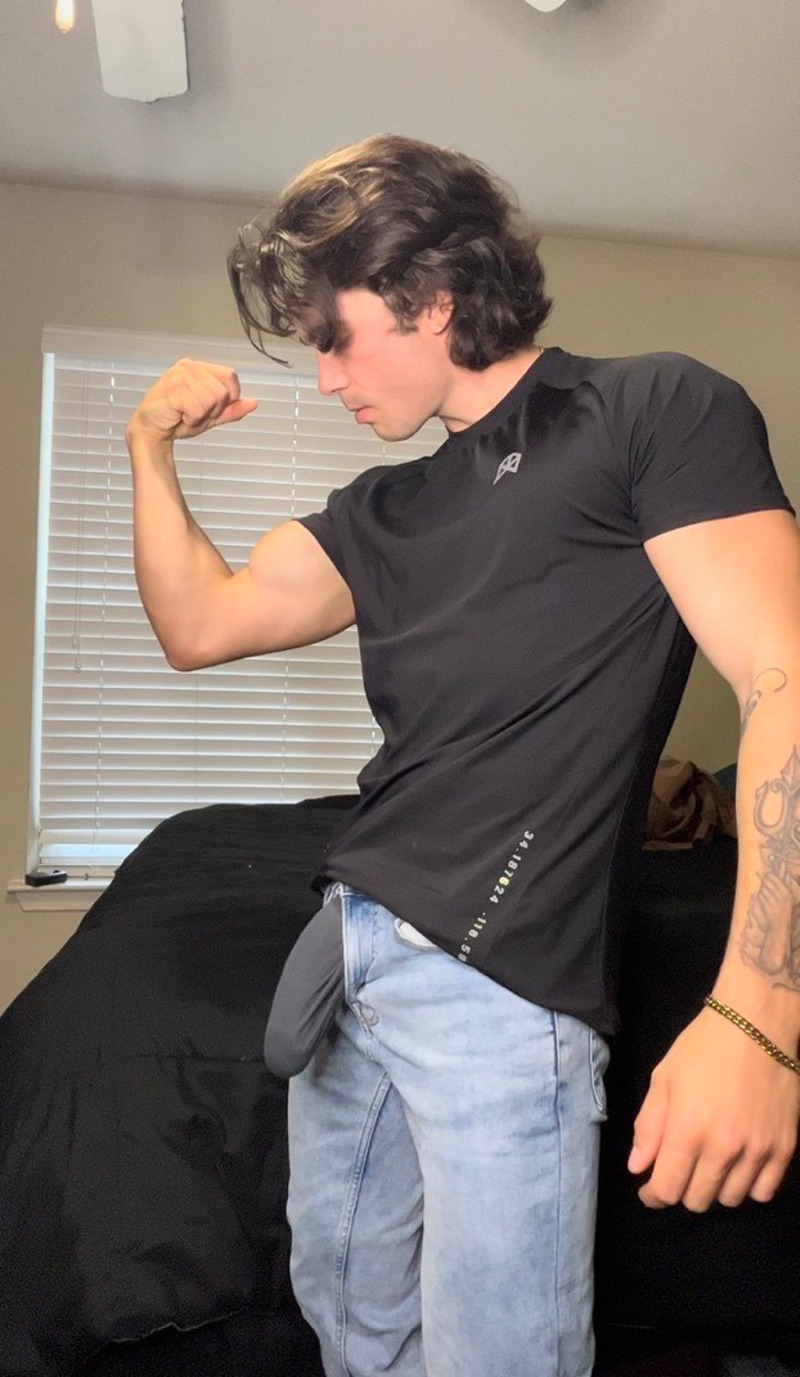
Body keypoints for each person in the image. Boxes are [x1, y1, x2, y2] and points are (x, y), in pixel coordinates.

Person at [125, 134, 800, 1377]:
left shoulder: (648, 411)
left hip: (499, 986)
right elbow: (198, 625)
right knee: (347, 1315)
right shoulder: (386, 510)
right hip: (352, 959)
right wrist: (147, 445)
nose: (324, 378)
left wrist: (757, 1014)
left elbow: (782, 675)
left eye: (335, 338)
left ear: (429, 296)